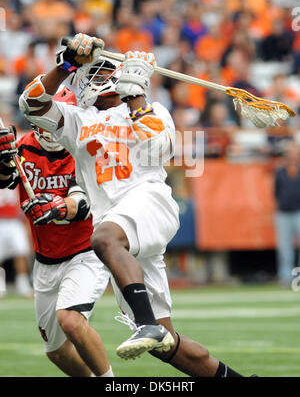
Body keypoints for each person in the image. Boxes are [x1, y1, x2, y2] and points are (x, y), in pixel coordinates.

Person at [18, 32, 255, 377]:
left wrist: (137, 95)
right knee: (166, 346)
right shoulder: (77, 119)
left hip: (148, 204)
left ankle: (146, 323)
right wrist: (66, 63)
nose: (103, 78)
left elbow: (160, 148)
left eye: (106, 71)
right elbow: (31, 104)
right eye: (95, 72)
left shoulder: (151, 109)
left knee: (102, 238)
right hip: (120, 231)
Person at [0, 87, 113, 377]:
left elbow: (83, 202)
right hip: (45, 260)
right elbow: (5, 181)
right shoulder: (22, 148)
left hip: (84, 252)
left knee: (72, 321)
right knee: (57, 352)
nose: (49, 129)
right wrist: (2, 163)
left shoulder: (85, 149)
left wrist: (58, 206)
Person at [274, 142, 300, 286]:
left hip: (299, 211)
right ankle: (285, 277)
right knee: (285, 248)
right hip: (283, 213)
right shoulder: (280, 171)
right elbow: (276, 192)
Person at [0, 186, 33, 298]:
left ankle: (23, 285)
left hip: (15, 220)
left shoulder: (14, 175)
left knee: (21, 252)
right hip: (1, 219)